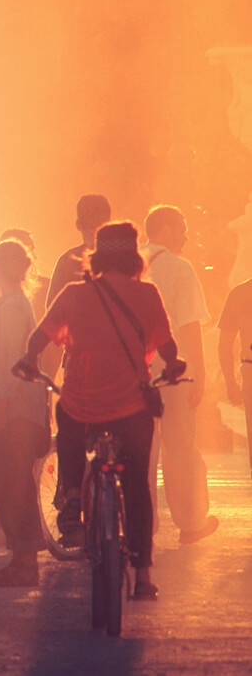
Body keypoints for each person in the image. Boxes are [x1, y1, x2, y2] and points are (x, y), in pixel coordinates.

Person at [14, 221, 185, 600]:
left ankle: (73, 492)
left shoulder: (75, 294)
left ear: (97, 256)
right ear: (134, 256)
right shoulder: (147, 294)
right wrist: (174, 366)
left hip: (83, 399)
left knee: (67, 417)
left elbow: (38, 339)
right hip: (130, 402)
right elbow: (167, 346)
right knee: (137, 485)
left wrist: (28, 360)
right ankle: (142, 577)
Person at [142, 206, 218, 544]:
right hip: (171, 372)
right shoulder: (179, 268)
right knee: (180, 447)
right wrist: (199, 373)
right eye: (182, 228)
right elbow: (189, 327)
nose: (186, 236)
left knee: (141, 450)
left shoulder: (128, 264)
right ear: (168, 228)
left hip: (132, 371)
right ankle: (190, 523)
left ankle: (144, 525)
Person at [0, 240, 49, 586]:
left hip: (14, 412)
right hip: (14, 409)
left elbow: (10, 363)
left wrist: (0, 409)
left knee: (11, 482)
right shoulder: (11, 305)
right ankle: (22, 558)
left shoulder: (12, 308)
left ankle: (25, 561)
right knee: (6, 481)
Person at [217, 272, 252, 478]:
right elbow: (225, 344)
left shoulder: (240, 293)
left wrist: (230, 382)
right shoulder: (239, 293)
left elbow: (225, 344)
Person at [47, 194, 111, 307]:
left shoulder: (67, 261)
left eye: (98, 225)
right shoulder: (124, 260)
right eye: (90, 225)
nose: (94, 230)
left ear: (78, 224)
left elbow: (53, 307)